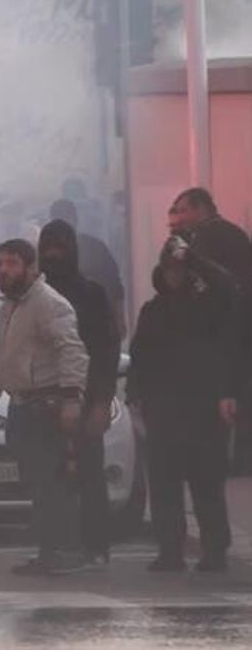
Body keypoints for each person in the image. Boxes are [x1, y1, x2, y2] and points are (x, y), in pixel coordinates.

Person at [0, 239, 89, 576]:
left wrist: (71, 399)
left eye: (12, 263)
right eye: (1, 263)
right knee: (38, 483)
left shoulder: (48, 303)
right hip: (21, 406)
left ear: (31, 267)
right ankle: (48, 551)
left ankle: (65, 551)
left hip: (46, 406)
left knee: (53, 482)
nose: (4, 270)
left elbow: (71, 350)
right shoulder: (11, 306)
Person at [128, 238, 238, 573]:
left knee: (207, 483)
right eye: (169, 270)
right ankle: (170, 550)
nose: (173, 276)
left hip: (203, 408)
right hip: (163, 409)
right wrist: (135, 393)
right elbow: (139, 355)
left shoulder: (208, 306)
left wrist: (195, 258)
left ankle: (214, 550)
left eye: (179, 270)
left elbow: (226, 286)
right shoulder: (154, 310)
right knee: (164, 483)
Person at [38, 221, 121, 568]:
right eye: (47, 248)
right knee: (49, 478)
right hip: (43, 399)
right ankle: (56, 545)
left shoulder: (91, 294)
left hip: (86, 397)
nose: (53, 255)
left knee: (89, 474)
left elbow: (106, 351)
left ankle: (95, 545)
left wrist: (101, 401)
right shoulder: (34, 296)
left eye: (59, 248)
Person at [168, 187, 252, 476]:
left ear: (200, 208)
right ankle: (243, 458)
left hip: (219, 328)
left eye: (183, 210)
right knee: (243, 391)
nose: (180, 217)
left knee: (218, 393)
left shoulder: (205, 238)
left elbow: (199, 284)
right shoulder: (235, 233)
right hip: (243, 324)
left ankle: (217, 459)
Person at [49, 199, 126, 339]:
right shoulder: (47, 255)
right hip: (62, 328)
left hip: (98, 322)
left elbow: (115, 285)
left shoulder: (95, 248)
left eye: (67, 219)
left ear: (75, 220)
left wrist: (119, 319)